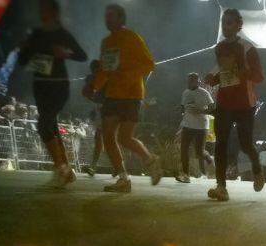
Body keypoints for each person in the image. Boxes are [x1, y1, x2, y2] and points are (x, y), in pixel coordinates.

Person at [84, 3, 161, 193]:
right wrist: (92, 86)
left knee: (125, 138)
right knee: (108, 137)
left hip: (132, 95)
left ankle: (150, 159)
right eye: (106, 16)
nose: (107, 19)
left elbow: (149, 64)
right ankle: (123, 178)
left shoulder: (132, 37)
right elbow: (105, 70)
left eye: (111, 15)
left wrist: (129, 75)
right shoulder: (106, 42)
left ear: (121, 18)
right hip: (112, 96)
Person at [18, 0, 86, 188]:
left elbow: (82, 55)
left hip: (58, 85)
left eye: (46, 9)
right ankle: (67, 170)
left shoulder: (62, 34)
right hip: (40, 86)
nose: (42, 13)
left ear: (55, 13)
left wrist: (65, 53)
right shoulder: (35, 34)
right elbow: (23, 61)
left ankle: (60, 168)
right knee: (51, 126)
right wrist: (23, 49)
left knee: (43, 124)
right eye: (41, 10)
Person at [204, 8, 265, 201]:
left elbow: (259, 76)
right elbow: (221, 72)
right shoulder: (219, 48)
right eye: (223, 22)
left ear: (238, 25)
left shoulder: (247, 48)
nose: (225, 26)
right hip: (224, 102)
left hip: (245, 103)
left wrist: (242, 73)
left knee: (245, 144)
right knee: (220, 143)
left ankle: (257, 168)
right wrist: (212, 79)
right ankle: (221, 187)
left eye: (229, 22)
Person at [176, 72, 215, 183]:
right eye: (188, 81)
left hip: (201, 127)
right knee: (184, 150)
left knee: (199, 152)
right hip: (187, 126)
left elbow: (212, 108)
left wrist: (201, 111)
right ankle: (186, 175)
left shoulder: (204, 93)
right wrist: (182, 114)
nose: (189, 83)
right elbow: (183, 107)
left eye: (192, 81)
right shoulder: (185, 93)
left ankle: (209, 158)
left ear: (198, 82)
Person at [82, 60, 105, 177]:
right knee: (100, 138)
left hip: (110, 109)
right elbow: (86, 93)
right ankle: (94, 166)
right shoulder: (92, 78)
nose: (95, 71)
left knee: (109, 139)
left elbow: (87, 94)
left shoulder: (105, 76)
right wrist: (93, 98)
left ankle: (118, 166)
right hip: (101, 109)